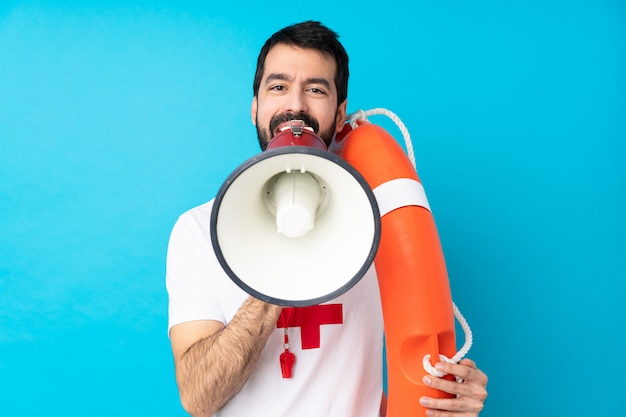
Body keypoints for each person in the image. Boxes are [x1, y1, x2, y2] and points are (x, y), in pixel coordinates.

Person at [166, 20, 488, 417]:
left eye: (316, 89)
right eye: (278, 86)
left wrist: (452, 396)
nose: (295, 105)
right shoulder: (198, 230)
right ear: (255, 107)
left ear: (339, 115)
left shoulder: (378, 225)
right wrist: (280, 265)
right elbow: (199, 398)